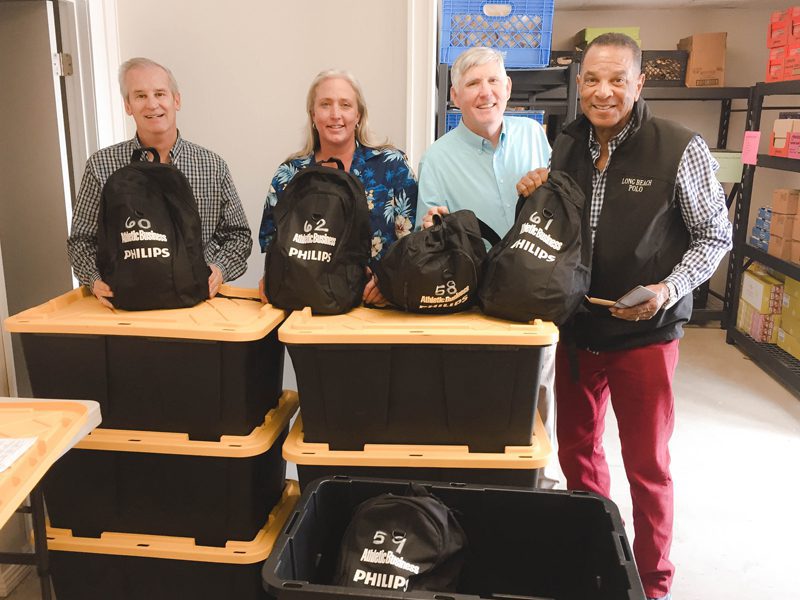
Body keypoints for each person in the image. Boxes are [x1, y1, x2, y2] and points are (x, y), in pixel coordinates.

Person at [547, 33, 733, 600]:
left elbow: (715, 234)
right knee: (578, 453)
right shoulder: (567, 143)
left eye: (617, 80)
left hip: (645, 335)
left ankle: (653, 584)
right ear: (580, 85)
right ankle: (596, 554)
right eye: (593, 81)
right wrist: (535, 193)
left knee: (646, 464)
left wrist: (668, 286)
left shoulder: (679, 146)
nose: (604, 92)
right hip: (579, 329)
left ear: (639, 83)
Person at [415, 46, 560, 489]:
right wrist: (433, 227)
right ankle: (475, 482)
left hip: (537, 288)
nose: (485, 93)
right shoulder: (437, 157)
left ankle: (537, 478)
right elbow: (430, 238)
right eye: (473, 84)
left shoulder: (535, 135)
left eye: (494, 81)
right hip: (474, 297)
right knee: (480, 399)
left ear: (508, 88)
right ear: (455, 96)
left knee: (540, 392)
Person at [67, 57, 252, 307]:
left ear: (176, 100)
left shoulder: (212, 166)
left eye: (160, 93)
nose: (152, 104)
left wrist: (219, 270)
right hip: (124, 309)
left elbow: (238, 235)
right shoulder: (101, 166)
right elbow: (81, 240)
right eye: (140, 96)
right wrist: (95, 279)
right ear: (128, 105)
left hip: (197, 305)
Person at [258, 69, 417, 306]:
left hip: (379, 311)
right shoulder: (289, 175)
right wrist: (272, 277)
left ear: (359, 115)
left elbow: (413, 243)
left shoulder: (392, 166)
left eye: (345, 105)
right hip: (310, 309)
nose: (335, 114)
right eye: (325, 104)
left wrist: (390, 282)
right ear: (312, 114)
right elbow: (273, 244)